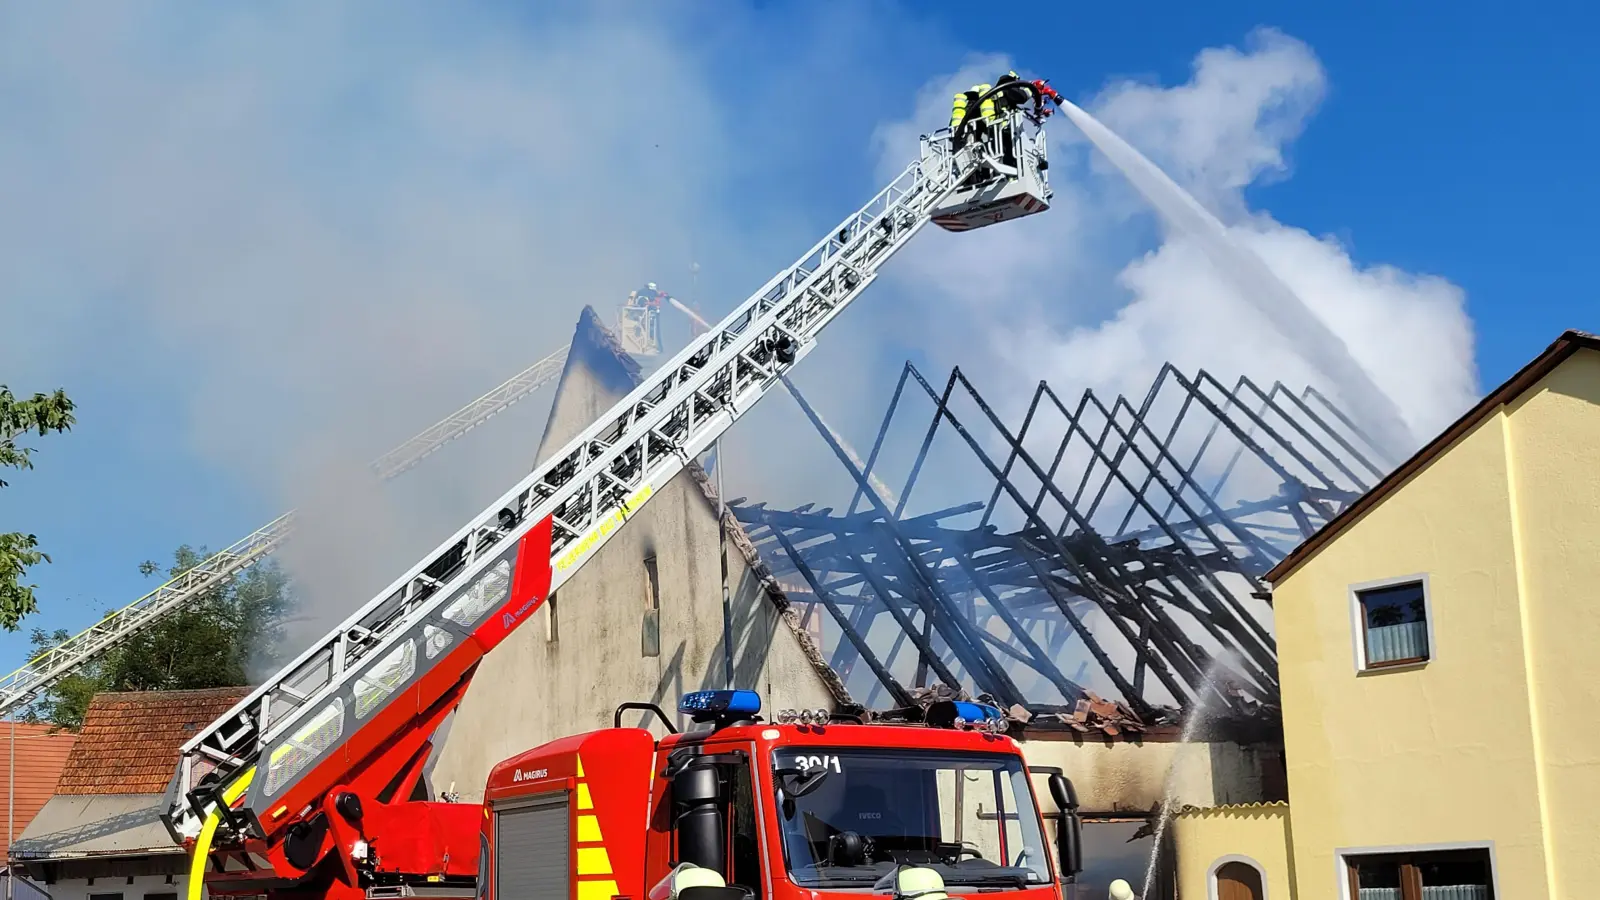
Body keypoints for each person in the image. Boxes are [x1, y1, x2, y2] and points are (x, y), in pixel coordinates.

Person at [949, 81, 994, 151]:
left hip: (959, 145)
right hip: (970, 143)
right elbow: (987, 127)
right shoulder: (976, 109)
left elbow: (951, 131)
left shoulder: (961, 110)